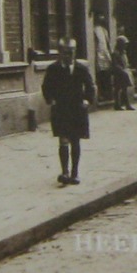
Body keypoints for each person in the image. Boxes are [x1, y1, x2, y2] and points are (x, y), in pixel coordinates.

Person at [42, 39, 94, 185]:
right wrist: (50, 99)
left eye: (71, 53)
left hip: (77, 109)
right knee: (63, 140)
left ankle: (75, 173)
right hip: (62, 109)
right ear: (60, 53)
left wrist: (87, 101)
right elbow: (46, 86)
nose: (68, 56)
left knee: (75, 141)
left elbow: (90, 86)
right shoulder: (53, 69)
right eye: (65, 53)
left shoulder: (81, 69)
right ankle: (64, 171)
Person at [109, 34, 135, 110]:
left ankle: (126, 104)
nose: (125, 46)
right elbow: (115, 64)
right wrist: (121, 70)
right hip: (118, 73)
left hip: (123, 72)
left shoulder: (123, 52)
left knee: (124, 88)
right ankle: (117, 104)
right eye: (124, 44)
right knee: (118, 89)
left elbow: (125, 62)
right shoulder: (115, 53)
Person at [91, 13, 113, 101]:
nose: (102, 18)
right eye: (100, 16)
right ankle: (101, 94)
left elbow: (107, 43)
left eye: (103, 17)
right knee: (100, 74)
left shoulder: (104, 30)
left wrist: (109, 53)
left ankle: (107, 93)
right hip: (98, 53)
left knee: (107, 73)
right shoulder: (94, 29)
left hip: (105, 53)